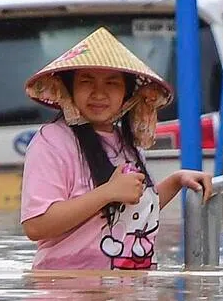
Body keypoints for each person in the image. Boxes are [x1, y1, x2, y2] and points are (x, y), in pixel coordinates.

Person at [20, 27, 212, 270]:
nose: (99, 93)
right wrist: (107, 192)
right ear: (69, 88)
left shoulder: (126, 143)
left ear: (127, 93)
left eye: (112, 83)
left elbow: (131, 212)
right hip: (69, 293)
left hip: (125, 293)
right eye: (86, 81)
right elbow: (36, 226)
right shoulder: (52, 142)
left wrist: (175, 181)